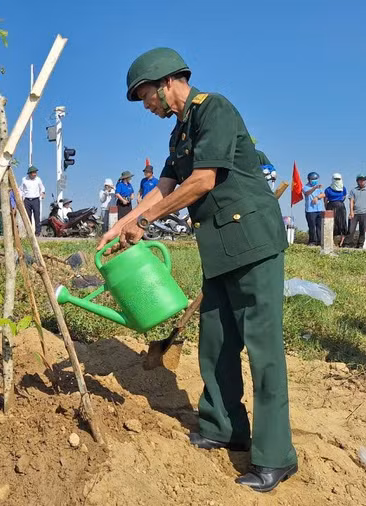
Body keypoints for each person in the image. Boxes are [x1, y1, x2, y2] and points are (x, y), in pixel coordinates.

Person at [103, 47, 297, 492]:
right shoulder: (179, 135)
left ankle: (275, 456)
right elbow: (165, 186)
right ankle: (223, 426)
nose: (146, 105)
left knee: (262, 350)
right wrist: (124, 225)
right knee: (216, 344)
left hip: (253, 245)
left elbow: (202, 180)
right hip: (220, 250)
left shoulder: (215, 110)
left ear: (166, 82)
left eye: (145, 95)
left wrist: (147, 222)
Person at [348, 173, 366, 249]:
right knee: (351, 230)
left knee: (362, 230)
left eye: (363, 180)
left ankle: (360, 245)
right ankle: (347, 244)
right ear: (357, 181)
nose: (362, 182)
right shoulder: (353, 190)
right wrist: (351, 212)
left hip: (365, 213)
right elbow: (351, 201)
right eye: (360, 180)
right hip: (355, 213)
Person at [324, 173, 348, 245]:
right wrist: (326, 208)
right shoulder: (328, 189)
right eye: (336, 179)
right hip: (331, 206)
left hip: (340, 207)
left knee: (341, 223)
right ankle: (331, 241)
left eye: (338, 179)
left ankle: (342, 241)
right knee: (331, 223)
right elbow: (325, 199)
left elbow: (344, 197)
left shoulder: (343, 188)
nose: (337, 180)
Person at [20, 166, 45, 235]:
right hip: (27, 200)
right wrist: (21, 198)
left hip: (35, 199)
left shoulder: (38, 179)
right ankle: (29, 231)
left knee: (37, 216)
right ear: (29, 173)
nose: (35, 174)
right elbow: (21, 190)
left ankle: (38, 232)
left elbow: (42, 187)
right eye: (33, 173)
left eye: (35, 173)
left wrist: (42, 193)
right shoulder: (24, 180)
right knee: (28, 216)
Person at [303, 171, 325, 246]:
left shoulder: (319, 188)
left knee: (319, 226)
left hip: (319, 209)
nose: (315, 180)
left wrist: (317, 197)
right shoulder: (305, 187)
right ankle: (312, 241)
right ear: (309, 180)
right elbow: (307, 193)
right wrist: (314, 188)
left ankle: (319, 241)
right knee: (312, 226)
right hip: (310, 210)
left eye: (316, 179)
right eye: (313, 179)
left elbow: (323, 194)